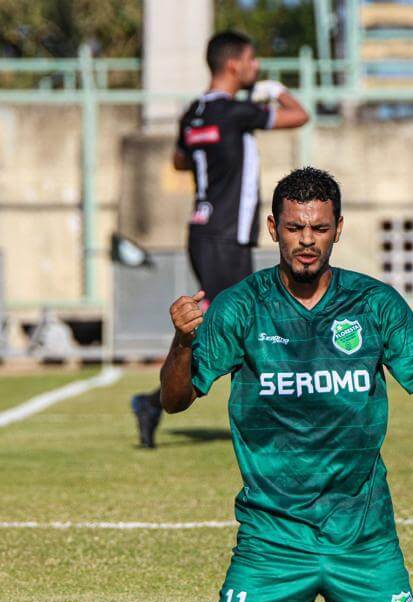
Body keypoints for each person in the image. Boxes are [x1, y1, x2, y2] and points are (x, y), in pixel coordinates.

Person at [159, 168, 413, 602]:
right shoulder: (240, 306)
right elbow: (175, 400)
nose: (307, 242)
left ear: (338, 228)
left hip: (361, 531)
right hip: (272, 532)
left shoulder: (374, 303)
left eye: (319, 229)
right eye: (296, 228)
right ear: (273, 227)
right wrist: (183, 341)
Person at [131, 30, 310, 448]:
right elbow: (299, 115)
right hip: (226, 233)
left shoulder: (194, 111)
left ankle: (154, 403)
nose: (256, 67)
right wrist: (277, 90)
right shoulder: (235, 111)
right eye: (252, 61)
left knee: (228, 323)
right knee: (250, 324)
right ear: (233, 65)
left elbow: (179, 158)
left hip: (205, 229)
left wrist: (210, 156)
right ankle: (272, 418)